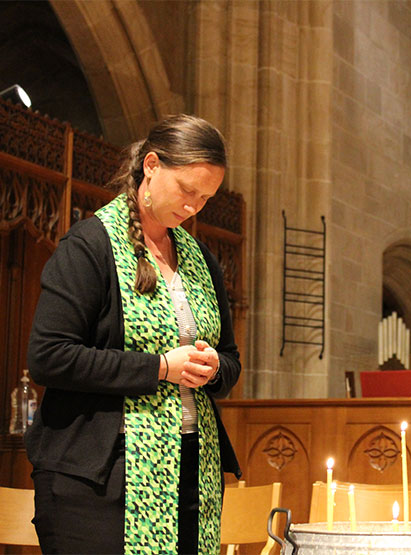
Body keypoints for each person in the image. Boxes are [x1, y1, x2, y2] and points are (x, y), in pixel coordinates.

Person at [25, 114, 242, 554]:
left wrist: (215, 367)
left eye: (205, 198)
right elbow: (49, 356)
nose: (193, 208)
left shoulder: (203, 261)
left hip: (188, 471)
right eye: (187, 190)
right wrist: (161, 367)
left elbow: (232, 359)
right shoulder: (90, 246)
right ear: (152, 165)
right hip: (98, 478)